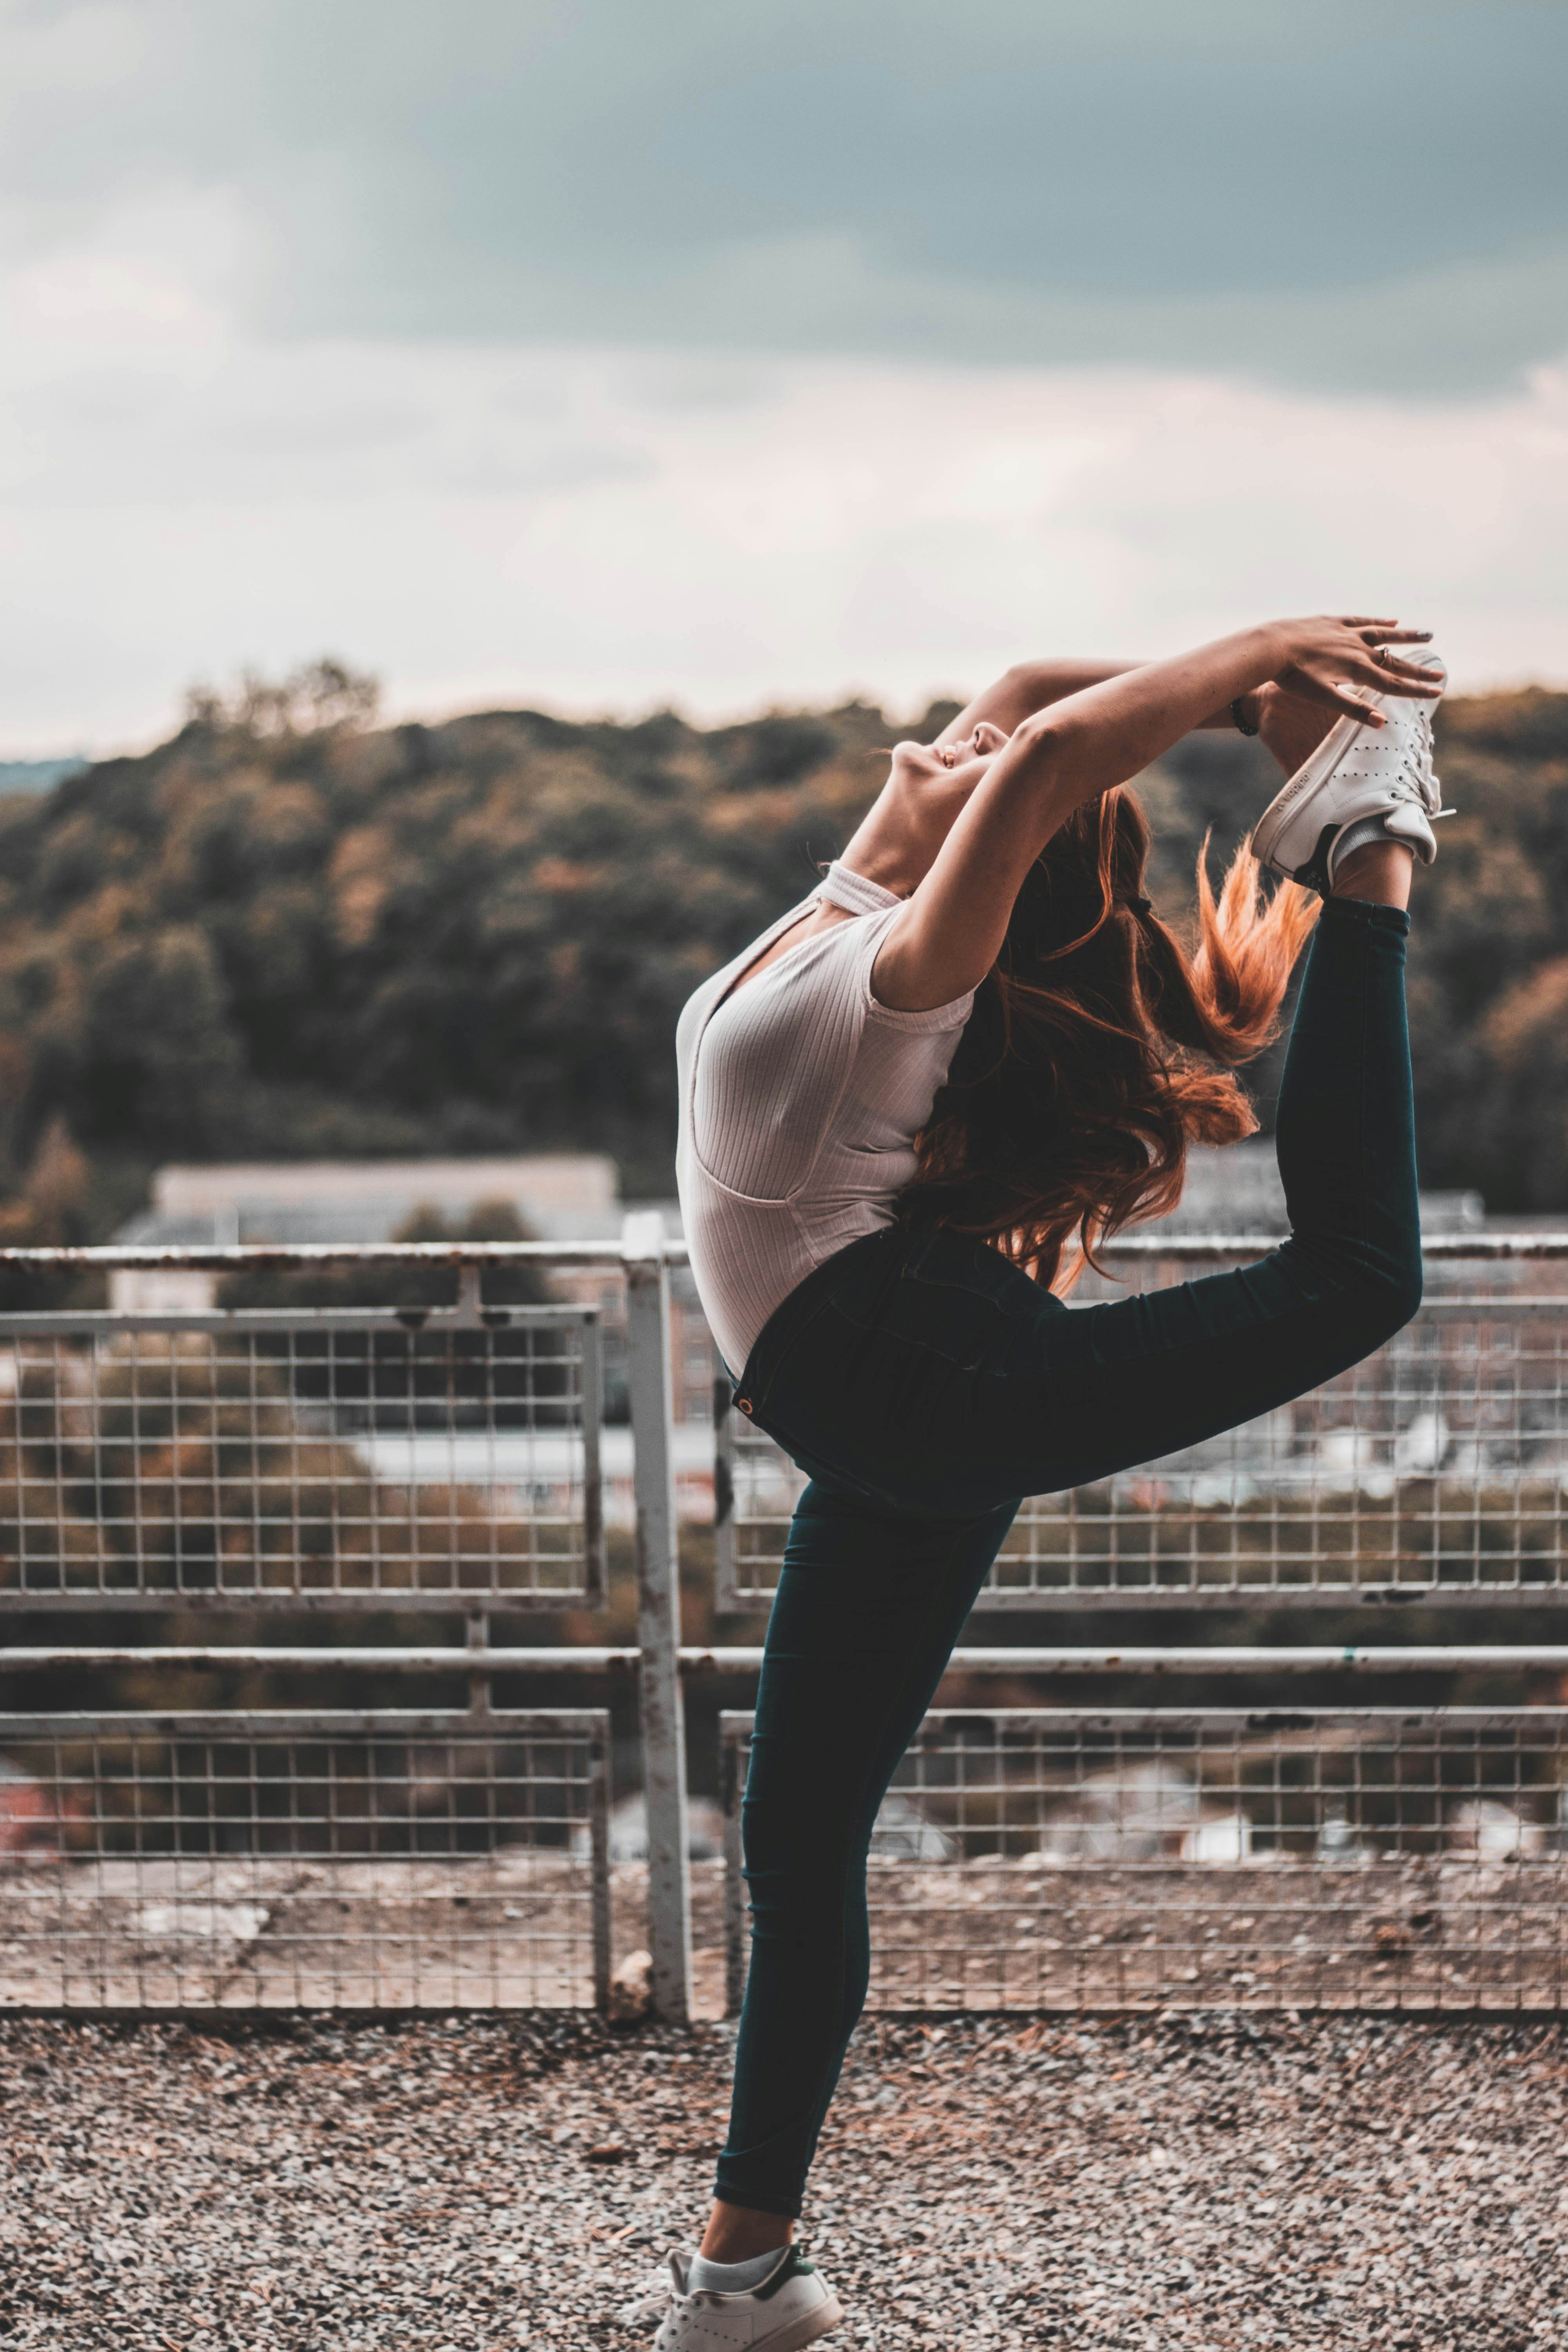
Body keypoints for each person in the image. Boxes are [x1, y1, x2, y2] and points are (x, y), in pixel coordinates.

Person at [632, 616, 1446, 2350]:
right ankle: (740, 2279)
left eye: (972, 777)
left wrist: (1277, 678)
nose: (937, 745)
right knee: (798, 1836)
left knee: (1362, 1274)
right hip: (888, 1388)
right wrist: (1239, 690)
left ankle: (1372, 867)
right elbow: (1020, 707)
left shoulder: (885, 982)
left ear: (985, 855)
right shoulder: (847, 903)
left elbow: (1044, 762)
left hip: (929, 1385)